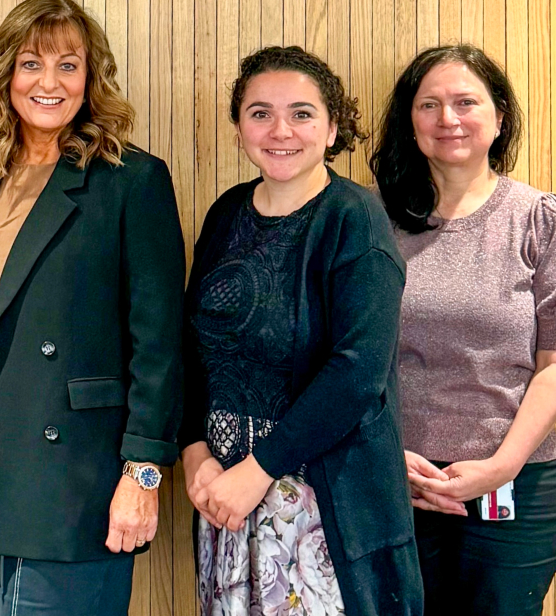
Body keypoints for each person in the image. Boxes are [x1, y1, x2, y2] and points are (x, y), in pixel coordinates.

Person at [0, 0, 186, 615]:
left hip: (77, 478)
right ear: (6, 74)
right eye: (32, 63)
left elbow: (159, 345)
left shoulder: (131, 179)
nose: (49, 82)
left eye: (68, 65)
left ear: (91, 78)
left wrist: (143, 477)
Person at [180, 46, 422, 616]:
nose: (280, 129)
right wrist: (194, 454)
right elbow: (193, 347)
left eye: (302, 113)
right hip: (225, 500)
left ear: (334, 126)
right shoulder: (225, 214)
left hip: (320, 507)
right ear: (239, 125)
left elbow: (357, 373)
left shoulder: (355, 219)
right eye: (260, 112)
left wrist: (256, 471)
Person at [370, 44, 556, 615]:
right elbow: (340, 357)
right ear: (410, 122)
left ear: (499, 117)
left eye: (465, 102)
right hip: (394, 486)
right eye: (430, 105)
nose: (448, 119)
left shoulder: (541, 219)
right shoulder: (369, 222)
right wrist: (388, 453)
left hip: (516, 492)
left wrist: (501, 465)